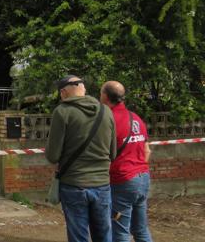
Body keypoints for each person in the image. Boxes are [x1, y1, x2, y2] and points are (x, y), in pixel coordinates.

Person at [46, 75, 117, 242]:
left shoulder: (62, 112)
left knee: (78, 236)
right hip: (102, 184)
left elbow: (53, 155)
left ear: (63, 92)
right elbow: (113, 153)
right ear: (83, 89)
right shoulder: (105, 111)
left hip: (73, 184)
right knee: (104, 235)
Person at [100, 81, 153, 242]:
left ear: (105, 96)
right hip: (143, 178)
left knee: (120, 232)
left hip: (122, 181)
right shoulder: (135, 118)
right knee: (140, 229)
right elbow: (147, 150)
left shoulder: (108, 120)